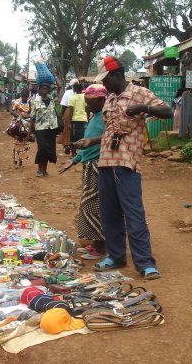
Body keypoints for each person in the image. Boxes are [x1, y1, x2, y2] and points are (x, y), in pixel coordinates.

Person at [94, 56, 172, 280]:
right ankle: (116, 255)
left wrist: (144, 108)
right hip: (106, 161)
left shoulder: (139, 93)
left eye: (106, 79)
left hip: (127, 164)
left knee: (133, 214)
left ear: (117, 75)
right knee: (109, 214)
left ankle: (146, 263)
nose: (104, 84)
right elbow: (110, 130)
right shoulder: (109, 98)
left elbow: (167, 112)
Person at [59, 84, 108, 260]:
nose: (87, 105)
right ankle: (95, 242)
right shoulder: (94, 116)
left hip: (98, 167)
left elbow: (106, 139)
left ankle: (102, 246)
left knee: (96, 207)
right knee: (88, 206)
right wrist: (74, 160)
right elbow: (88, 145)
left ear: (102, 100)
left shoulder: (106, 117)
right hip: (89, 165)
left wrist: (87, 146)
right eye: (86, 101)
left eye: (90, 101)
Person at [29, 83, 59, 177]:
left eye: (46, 89)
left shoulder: (52, 99)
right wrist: (30, 131)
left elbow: (60, 87)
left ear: (48, 90)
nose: (44, 90)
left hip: (51, 128)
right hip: (40, 129)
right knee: (42, 149)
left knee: (48, 149)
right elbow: (32, 117)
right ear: (39, 90)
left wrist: (54, 78)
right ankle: (39, 169)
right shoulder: (35, 101)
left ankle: (45, 170)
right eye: (42, 89)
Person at [11, 88, 32, 167]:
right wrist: (18, 115)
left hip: (26, 124)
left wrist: (27, 116)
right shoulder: (16, 102)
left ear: (27, 96)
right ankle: (16, 159)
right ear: (21, 95)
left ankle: (21, 160)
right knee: (16, 142)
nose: (24, 98)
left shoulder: (30, 102)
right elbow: (11, 111)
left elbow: (31, 113)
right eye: (23, 96)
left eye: (25, 96)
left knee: (25, 142)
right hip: (18, 124)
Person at [68, 82, 88, 157]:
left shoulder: (72, 98)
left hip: (74, 120)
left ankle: (73, 153)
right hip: (83, 119)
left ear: (74, 89)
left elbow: (71, 110)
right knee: (83, 137)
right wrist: (87, 117)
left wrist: (69, 122)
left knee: (73, 137)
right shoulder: (85, 97)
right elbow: (87, 108)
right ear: (82, 89)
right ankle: (82, 154)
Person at [58, 79, 77, 154]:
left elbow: (64, 105)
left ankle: (67, 145)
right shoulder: (80, 93)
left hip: (68, 111)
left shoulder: (68, 92)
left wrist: (61, 115)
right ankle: (74, 145)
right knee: (75, 128)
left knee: (66, 128)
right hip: (77, 111)